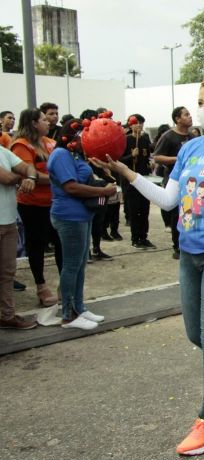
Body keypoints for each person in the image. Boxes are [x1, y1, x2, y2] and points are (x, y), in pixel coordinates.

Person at [95, 74, 204, 456]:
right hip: (190, 255)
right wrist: (128, 174)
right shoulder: (190, 149)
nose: (203, 109)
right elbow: (170, 199)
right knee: (198, 335)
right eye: (201, 101)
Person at [47, 122, 115, 330]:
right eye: (81, 138)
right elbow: (71, 187)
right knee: (71, 265)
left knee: (80, 265)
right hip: (69, 216)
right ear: (70, 136)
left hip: (82, 216)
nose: (83, 142)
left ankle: (79, 307)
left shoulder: (75, 155)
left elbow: (85, 179)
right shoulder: (60, 155)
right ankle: (68, 314)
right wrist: (103, 192)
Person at [10, 109, 61, 306]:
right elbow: (29, 175)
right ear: (33, 123)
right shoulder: (21, 145)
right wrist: (59, 179)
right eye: (43, 119)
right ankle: (41, 285)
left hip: (54, 202)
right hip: (33, 205)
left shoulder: (50, 142)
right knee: (37, 245)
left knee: (60, 243)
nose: (48, 121)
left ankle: (63, 285)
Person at [0, 143, 38, 329]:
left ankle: (7, 316)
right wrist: (24, 178)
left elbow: (28, 167)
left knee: (7, 272)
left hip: (8, 221)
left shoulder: (3, 152)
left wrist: (30, 175)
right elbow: (5, 178)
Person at [154, 106, 194, 259]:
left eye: (190, 114)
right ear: (177, 119)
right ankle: (177, 246)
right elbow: (157, 157)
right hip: (174, 180)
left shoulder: (192, 137)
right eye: (186, 114)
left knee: (190, 212)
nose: (190, 117)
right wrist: (178, 159)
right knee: (177, 214)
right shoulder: (168, 136)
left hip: (191, 181)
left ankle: (188, 242)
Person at [120, 114, 155, 249]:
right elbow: (120, 160)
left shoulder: (145, 139)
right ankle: (135, 238)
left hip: (144, 179)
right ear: (131, 125)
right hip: (131, 181)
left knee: (145, 210)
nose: (139, 125)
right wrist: (131, 156)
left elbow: (148, 157)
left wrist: (150, 163)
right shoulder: (126, 140)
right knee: (134, 211)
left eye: (141, 123)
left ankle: (144, 237)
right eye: (136, 123)